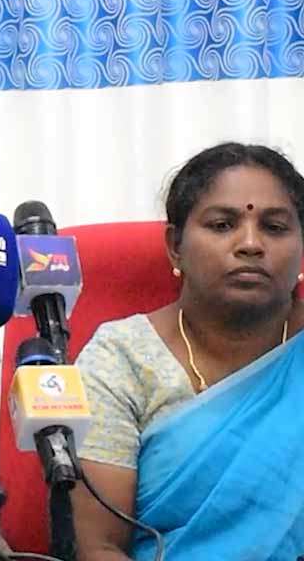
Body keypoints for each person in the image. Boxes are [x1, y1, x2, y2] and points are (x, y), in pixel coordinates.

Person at [73, 142, 304, 560]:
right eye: (222, 225)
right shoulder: (121, 360)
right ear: (175, 246)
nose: (251, 243)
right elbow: (97, 546)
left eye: (274, 227)